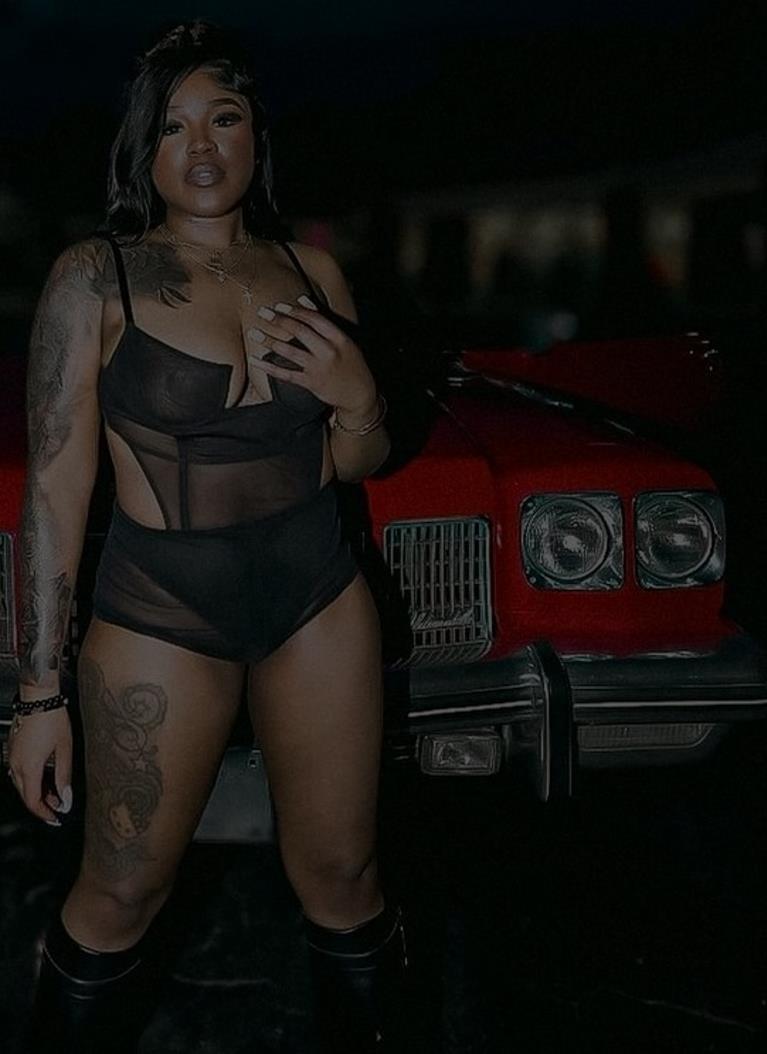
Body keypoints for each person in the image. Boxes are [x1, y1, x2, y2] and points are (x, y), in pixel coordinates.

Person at [7, 19, 408, 1054]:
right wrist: (37, 699)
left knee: (345, 877)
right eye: (173, 125)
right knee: (121, 891)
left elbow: (356, 460)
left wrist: (359, 394)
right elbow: (54, 489)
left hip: (317, 598)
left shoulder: (313, 273)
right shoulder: (94, 276)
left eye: (223, 117)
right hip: (161, 613)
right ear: (142, 149)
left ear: (254, 136)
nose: (200, 144)